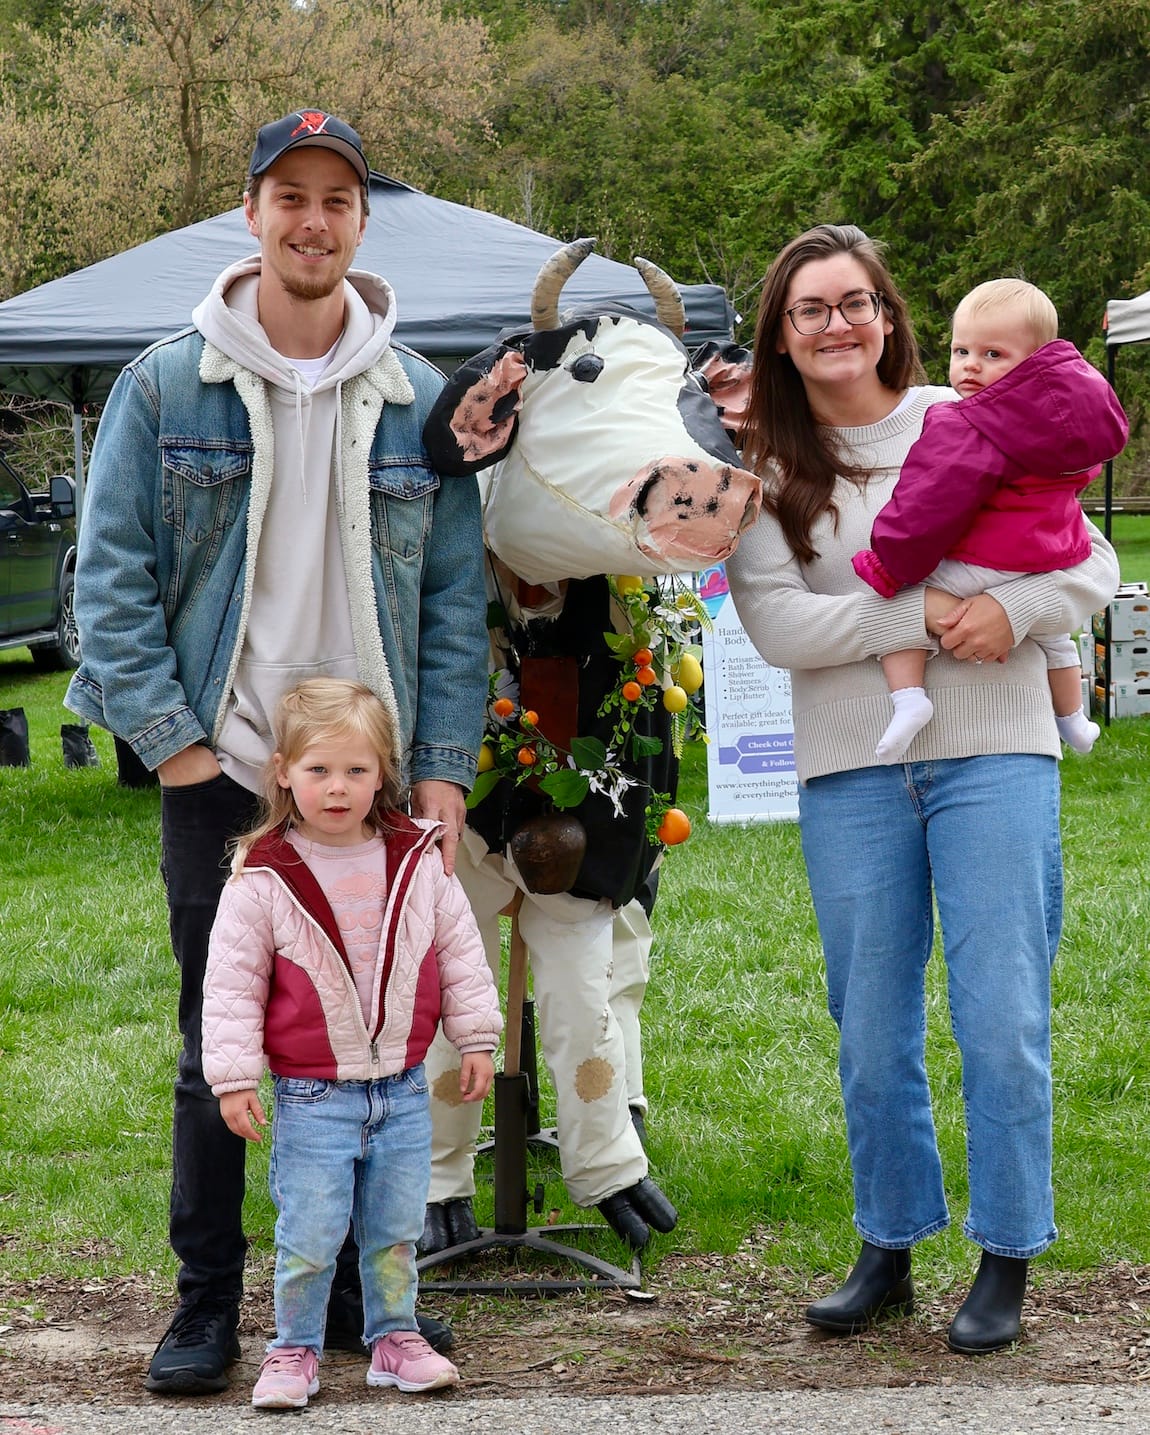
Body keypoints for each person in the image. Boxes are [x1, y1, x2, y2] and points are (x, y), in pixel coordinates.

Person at [65, 110, 488, 1393]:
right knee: (225, 1046)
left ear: (361, 222)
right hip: (231, 774)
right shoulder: (164, 385)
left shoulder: (418, 397)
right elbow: (110, 580)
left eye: (335, 200)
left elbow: (454, 598)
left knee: (378, 1046)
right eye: (288, 196)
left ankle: (362, 1300)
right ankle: (206, 1304)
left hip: (375, 782)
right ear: (250, 213)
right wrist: (180, 754)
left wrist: (441, 768)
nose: (312, 221)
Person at [725, 224, 1120, 1355]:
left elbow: (1088, 558)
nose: (837, 324)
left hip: (995, 750)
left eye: (856, 302)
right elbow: (779, 626)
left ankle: (1006, 1252)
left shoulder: (970, 413)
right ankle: (888, 1243)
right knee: (871, 1028)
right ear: (781, 335)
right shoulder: (767, 471)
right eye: (810, 309)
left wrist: (1012, 610)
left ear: (889, 316)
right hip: (851, 765)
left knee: (1001, 1015)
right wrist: (928, 612)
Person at [201, 679, 500, 1409]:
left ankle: (394, 1338)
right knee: (309, 1231)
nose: (337, 787)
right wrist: (234, 1077)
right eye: (319, 770)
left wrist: (476, 1037)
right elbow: (233, 984)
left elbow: (459, 950)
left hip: (402, 1088)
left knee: (396, 1228)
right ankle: (294, 1349)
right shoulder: (263, 875)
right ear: (283, 772)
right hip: (312, 1096)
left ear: (382, 773)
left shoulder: (417, 858)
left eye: (356, 770)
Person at [420, 568, 679, 1253]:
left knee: (585, 992)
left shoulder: (626, 615)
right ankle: (436, 1179)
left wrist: (592, 866)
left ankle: (606, 1160)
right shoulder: (457, 579)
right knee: (447, 993)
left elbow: (643, 757)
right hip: (462, 813)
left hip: (583, 827)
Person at [851, 278, 1128, 762]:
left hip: (984, 560)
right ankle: (1072, 718)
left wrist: (890, 562)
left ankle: (909, 698)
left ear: (1036, 362)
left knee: (896, 603)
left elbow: (929, 506)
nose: (971, 365)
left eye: (993, 354)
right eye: (961, 351)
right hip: (1047, 560)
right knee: (1056, 639)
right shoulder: (1061, 427)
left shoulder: (968, 422)